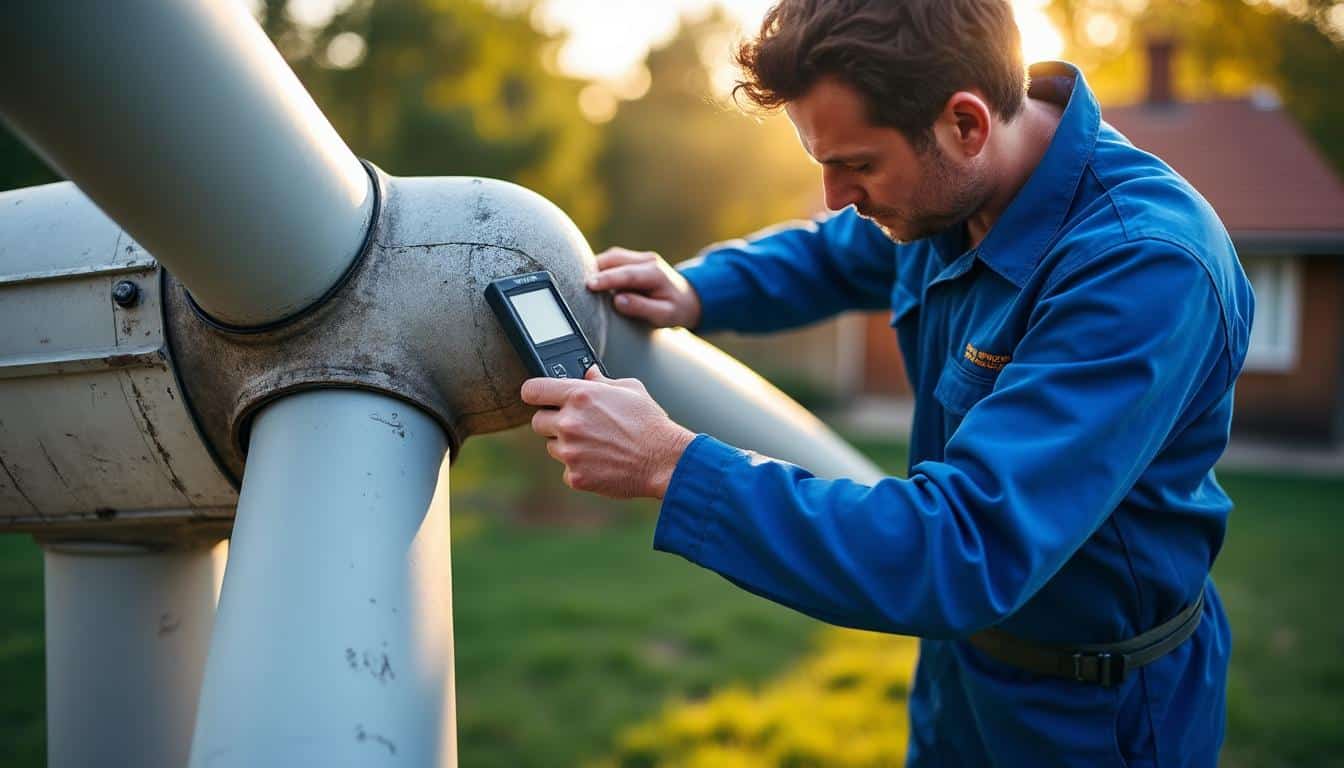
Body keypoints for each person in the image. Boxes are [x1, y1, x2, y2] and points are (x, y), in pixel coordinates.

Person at [520, 1, 1254, 765]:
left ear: (965, 124)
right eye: (821, 162)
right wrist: (698, 289)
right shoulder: (951, 186)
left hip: (1096, 710)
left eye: (857, 165)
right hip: (961, 674)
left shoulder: (1141, 268)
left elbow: (963, 547)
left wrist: (671, 466)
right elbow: (834, 251)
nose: (836, 195)